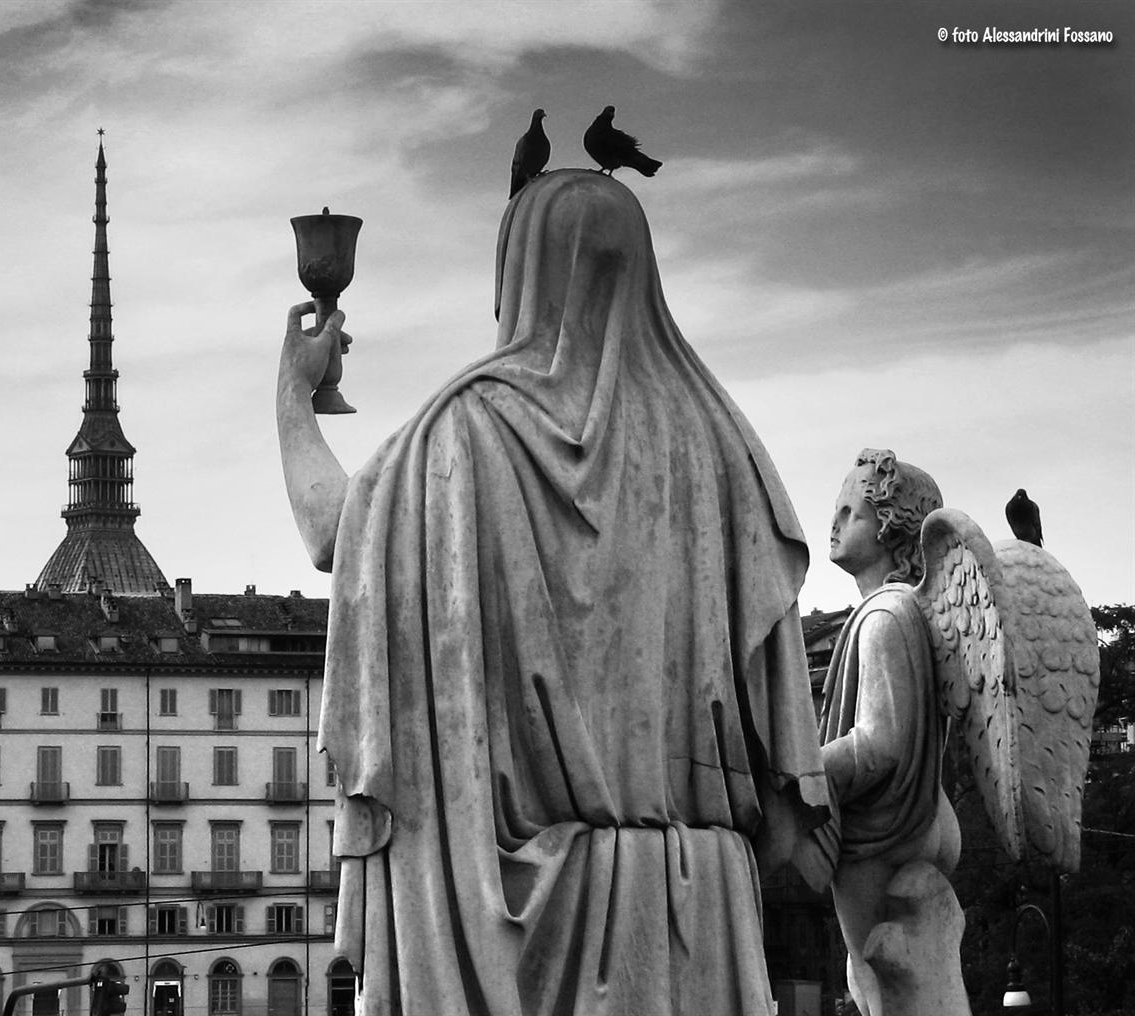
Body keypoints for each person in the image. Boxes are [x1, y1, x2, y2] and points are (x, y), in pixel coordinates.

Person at [277, 169, 827, 1015]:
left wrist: (294, 395)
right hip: (697, 938)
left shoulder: (459, 435)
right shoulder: (725, 452)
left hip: (497, 939)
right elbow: (785, 783)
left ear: (515, 275)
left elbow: (333, 534)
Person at [808, 449, 960, 1016]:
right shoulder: (915, 612)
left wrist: (804, 769)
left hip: (882, 828)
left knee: (875, 981)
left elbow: (880, 744)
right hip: (927, 815)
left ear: (891, 526)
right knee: (916, 980)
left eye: (851, 512)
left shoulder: (884, 616)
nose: (834, 523)